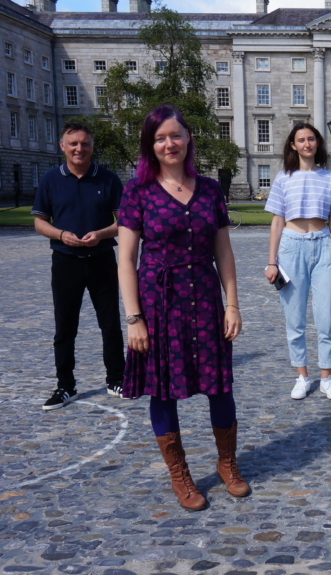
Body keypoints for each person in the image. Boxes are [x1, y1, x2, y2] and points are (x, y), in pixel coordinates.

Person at [118, 105, 248, 511]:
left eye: (175, 135)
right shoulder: (136, 192)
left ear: (188, 138)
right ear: (150, 145)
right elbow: (125, 259)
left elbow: (223, 251)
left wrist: (232, 305)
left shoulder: (210, 189)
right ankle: (181, 475)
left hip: (205, 295)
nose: (168, 143)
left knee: (220, 384)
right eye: (159, 138)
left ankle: (227, 463)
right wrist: (134, 318)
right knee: (163, 389)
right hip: (159, 301)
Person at [31, 121, 125, 411]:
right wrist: (61, 234)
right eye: (73, 143)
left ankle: (116, 379)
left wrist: (102, 233)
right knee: (65, 327)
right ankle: (65, 386)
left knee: (110, 324)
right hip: (65, 261)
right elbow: (39, 222)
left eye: (84, 143)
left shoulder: (108, 179)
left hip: (102, 260)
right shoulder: (50, 180)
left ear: (92, 146)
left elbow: (124, 222)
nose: (79, 148)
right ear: (62, 147)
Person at [264, 122, 331, 401]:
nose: (307, 144)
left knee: (326, 317)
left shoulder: (329, 178)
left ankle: (327, 377)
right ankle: (302, 375)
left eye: (311, 139)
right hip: (291, 247)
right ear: (293, 145)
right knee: (295, 318)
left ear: (317, 143)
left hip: (323, 245)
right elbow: (277, 222)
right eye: (301, 140)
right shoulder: (283, 178)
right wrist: (271, 261)